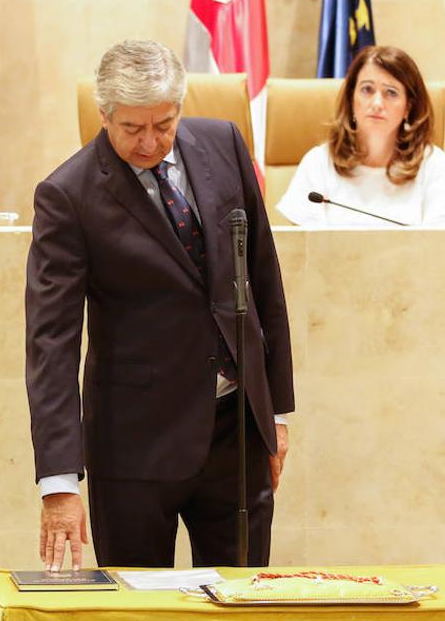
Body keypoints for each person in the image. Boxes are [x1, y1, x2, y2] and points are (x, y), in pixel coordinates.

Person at [26, 40, 294, 571]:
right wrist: (59, 483)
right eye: (132, 129)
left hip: (235, 433)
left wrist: (276, 412)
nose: (151, 142)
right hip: (134, 447)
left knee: (240, 605)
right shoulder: (67, 195)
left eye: (164, 124)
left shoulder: (224, 143)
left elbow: (262, 278)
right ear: (104, 116)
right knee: (138, 608)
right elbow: (51, 342)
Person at [275, 45, 445, 227]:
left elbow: (444, 253)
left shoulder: (431, 163)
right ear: (352, 100)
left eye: (391, 93)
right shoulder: (318, 162)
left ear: (408, 108)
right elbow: (303, 253)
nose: (377, 103)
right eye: (367, 90)